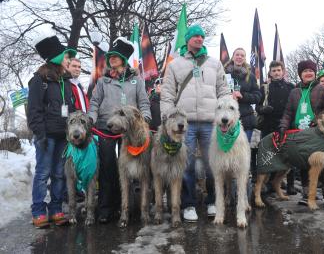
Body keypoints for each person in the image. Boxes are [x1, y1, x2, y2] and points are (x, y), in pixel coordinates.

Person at [161, 24, 230, 222]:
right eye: (195, 36)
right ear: (188, 39)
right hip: (185, 124)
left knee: (212, 164)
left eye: (202, 36)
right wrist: (167, 118)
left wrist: (226, 110)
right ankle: (188, 204)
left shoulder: (215, 64)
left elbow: (223, 90)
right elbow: (167, 94)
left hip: (211, 122)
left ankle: (212, 202)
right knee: (186, 165)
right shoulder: (175, 64)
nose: (199, 39)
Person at [88, 37, 151, 223]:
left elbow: (144, 103)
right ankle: (107, 208)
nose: (112, 59)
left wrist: (145, 118)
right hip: (105, 127)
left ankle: (131, 207)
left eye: (116, 56)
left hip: (129, 130)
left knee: (132, 169)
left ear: (123, 58)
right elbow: (94, 103)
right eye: (110, 57)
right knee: (108, 168)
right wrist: (91, 118)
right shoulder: (103, 81)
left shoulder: (136, 81)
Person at [28, 35, 77, 228]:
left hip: (63, 137)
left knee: (59, 174)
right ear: (56, 57)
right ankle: (38, 210)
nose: (68, 60)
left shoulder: (67, 82)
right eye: (66, 56)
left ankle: (56, 208)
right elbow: (33, 111)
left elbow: (71, 109)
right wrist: (40, 135)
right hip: (46, 136)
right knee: (43, 173)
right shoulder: (39, 80)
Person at [279, 60, 324, 204]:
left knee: (321, 162)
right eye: (305, 71)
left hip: (318, 133)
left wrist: (317, 119)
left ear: (315, 73)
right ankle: (307, 194)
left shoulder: (323, 89)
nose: (308, 73)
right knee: (304, 162)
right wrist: (283, 127)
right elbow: (288, 112)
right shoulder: (294, 92)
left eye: (311, 70)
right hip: (299, 134)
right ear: (300, 75)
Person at [256, 61, 295, 194]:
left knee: (289, 155)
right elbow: (258, 108)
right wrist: (264, 109)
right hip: (269, 125)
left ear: (283, 71)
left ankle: (290, 185)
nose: (276, 73)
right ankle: (268, 183)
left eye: (279, 70)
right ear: (270, 73)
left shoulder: (291, 87)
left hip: (287, 126)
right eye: (274, 70)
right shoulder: (264, 88)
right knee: (269, 155)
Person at [224, 48, 261, 142]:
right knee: (226, 152)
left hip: (246, 120)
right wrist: (227, 95)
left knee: (243, 153)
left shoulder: (250, 76)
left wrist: (243, 96)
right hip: (226, 119)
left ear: (244, 59)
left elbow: (258, 96)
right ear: (233, 57)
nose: (239, 57)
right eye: (237, 55)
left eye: (242, 55)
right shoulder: (223, 74)